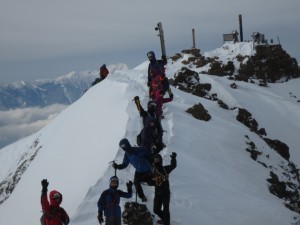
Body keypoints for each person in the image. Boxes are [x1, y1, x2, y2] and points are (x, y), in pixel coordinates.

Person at [151, 153, 177, 225]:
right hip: (157, 194)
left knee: (166, 209)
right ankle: (165, 220)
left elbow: (173, 166)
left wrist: (173, 159)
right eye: (155, 160)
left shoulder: (165, 169)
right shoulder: (153, 171)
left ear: (160, 160)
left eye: (157, 159)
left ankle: (166, 223)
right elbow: (150, 181)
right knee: (156, 210)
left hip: (165, 193)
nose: (156, 161)